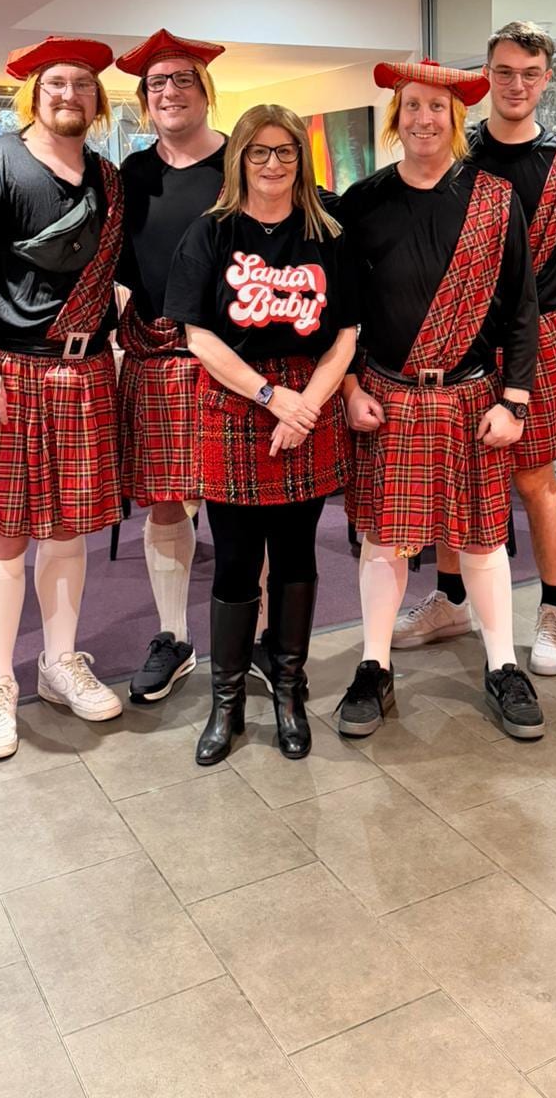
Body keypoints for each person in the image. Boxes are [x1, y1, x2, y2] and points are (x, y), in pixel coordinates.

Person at [337, 57, 544, 741]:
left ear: (456, 119)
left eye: (437, 108)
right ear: (395, 117)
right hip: (387, 396)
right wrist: (347, 388)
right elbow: (342, 311)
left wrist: (514, 402)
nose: (424, 119)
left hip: (470, 396)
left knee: (483, 538)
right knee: (384, 540)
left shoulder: (495, 197)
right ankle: (374, 666)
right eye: (413, 106)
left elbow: (522, 309)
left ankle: (503, 665)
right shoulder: (362, 201)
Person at [0, 35, 125, 761]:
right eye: (56, 83)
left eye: (82, 83)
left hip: (86, 371)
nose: (70, 94)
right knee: (4, 531)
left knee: (69, 529)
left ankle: (58, 662)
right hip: (6, 373)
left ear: (96, 98)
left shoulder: (108, 178)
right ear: (34, 94)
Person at [396, 23, 556, 676]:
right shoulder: (457, 153)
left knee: (535, 475)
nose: (517, 84)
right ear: (486, 74)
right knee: (456, 472)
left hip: (542, 335)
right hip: (459, 334)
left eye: (530, 73)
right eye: (505, 71)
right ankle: (452, 600)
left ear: (547, 79)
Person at [165, 104, 356, 765]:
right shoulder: (210, 231)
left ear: (301, 158)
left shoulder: (328, 230)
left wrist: (306, 408)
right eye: (258, 152)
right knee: (237, 560)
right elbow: (198, 335)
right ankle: (226, 704)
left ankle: (289, 694)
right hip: (236, 401)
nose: (273, 164)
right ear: (239, 158)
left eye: (285, 151)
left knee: (298, 557)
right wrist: (273, 398)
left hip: (309, 396)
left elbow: (347, 333)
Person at [114, 28, 227, 706]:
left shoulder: (246, 161)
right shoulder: (131, 175)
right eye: (158, 82)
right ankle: (173, 637)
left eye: (184, 79)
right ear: (144, 99)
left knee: (243, 506)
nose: (171, 91)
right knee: (163, 501)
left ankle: (254, 641)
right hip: (156, 353)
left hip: (237, 358)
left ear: (205, 91)